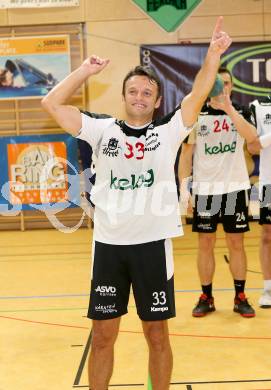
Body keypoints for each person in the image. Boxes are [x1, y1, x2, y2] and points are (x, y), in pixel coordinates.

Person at [41, 17, 231, 390]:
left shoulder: (169, 131)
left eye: (147, 93)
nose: (139, 97)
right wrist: (84, 70)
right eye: (133, 91)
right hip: (109, 248)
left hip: (151, 248)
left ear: (158, 101)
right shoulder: (101, 129)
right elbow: (51, 102)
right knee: (103, 336)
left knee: (157, 335)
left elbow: (196, 94)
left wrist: (212, 56)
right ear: (124, 96)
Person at [179, 66, 257, 318]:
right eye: (216, 83)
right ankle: (206, 296)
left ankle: (240, 296)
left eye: (226, 83)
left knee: (236, 242)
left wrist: (229, 109)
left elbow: (253, 140)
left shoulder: (242, 112)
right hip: (205, 191)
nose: (221, 87)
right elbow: (186, 155)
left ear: (231, 86)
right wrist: (184, 189)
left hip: (235, 188)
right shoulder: (197, 113)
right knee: (205, 242)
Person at [248, 97, 271, 308]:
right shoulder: (257, 106)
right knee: (267, 236)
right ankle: (268, 288)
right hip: (269, 184)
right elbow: (253, 147)